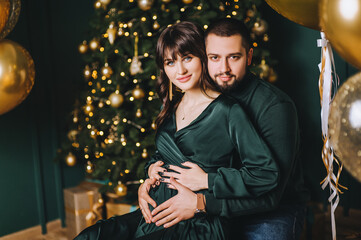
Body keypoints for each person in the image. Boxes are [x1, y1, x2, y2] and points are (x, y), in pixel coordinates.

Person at [74, 21, 279, 240]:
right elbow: (162, 155)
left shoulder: (229, 111)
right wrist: (150, 173)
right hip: (156, 214)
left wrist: (208, 180)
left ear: (202, 57)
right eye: (170, 62)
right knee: (91, 236)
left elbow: (266, 174)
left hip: (198, 224)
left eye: (187, 58)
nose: (179, 70)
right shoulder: (171, 106)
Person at [143, 18, 309, 240]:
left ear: (249, 57)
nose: (224, 69)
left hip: (269, 210)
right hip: (212, 204)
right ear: (204, 57)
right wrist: (148, 179)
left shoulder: (274, 106)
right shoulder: (192, 97)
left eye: (234, 57)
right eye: (214, 58)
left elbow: (270, 194)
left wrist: (203, 201)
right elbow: (171, 152)